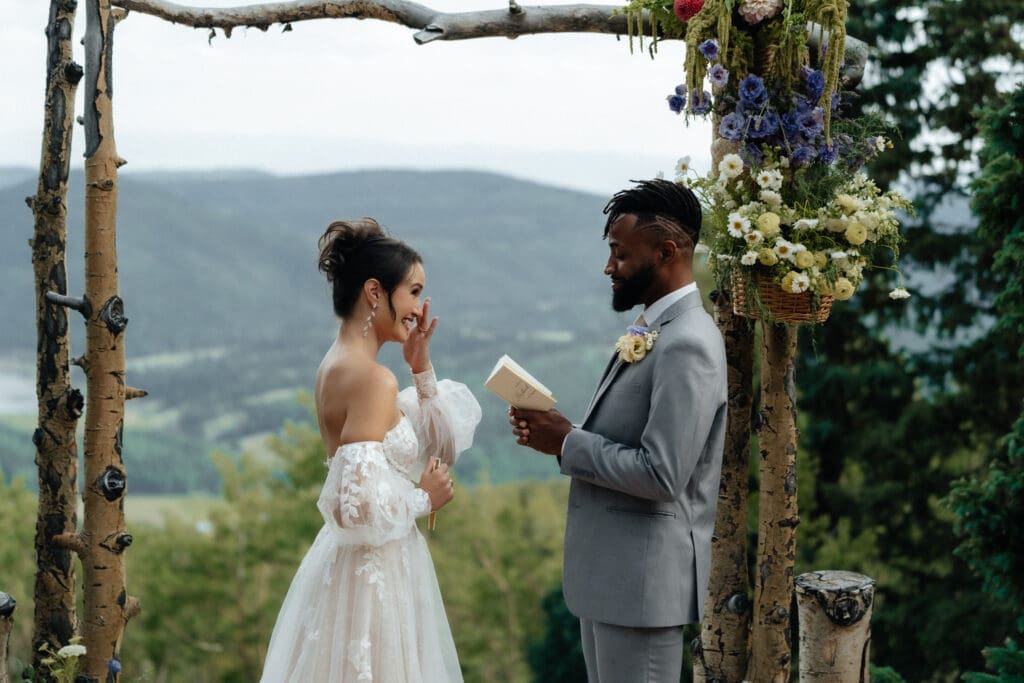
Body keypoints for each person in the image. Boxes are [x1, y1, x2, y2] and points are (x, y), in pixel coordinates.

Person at [509, 180, 727, 682]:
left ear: (666, 252)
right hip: (614, 583)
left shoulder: (688, 344)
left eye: (621, 254)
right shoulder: (656, 330)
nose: (609, 267)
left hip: (644, 590)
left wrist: (568, 441)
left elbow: (662, 474)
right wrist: (555, 435)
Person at [260, 218, 481, 682]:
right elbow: (353, 507)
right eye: (414, 292)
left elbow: (441, 446)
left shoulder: (335, 366)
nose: (419, 309)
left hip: (355, 569)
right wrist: (424, 499)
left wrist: (420, 368)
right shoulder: (371, 380)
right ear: (375, 292)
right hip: (375, 579)